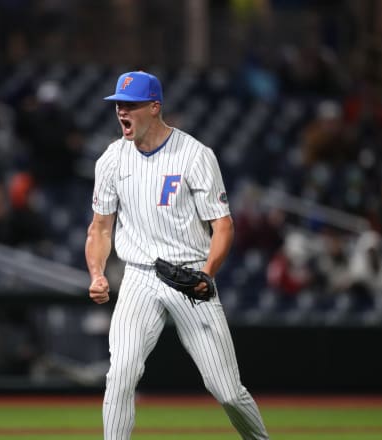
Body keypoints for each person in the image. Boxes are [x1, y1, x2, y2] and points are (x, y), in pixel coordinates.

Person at [85, 71, 269, 439]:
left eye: (131, 105)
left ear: (154, 107)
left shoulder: (195, 155)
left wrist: (208, 272)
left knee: (227, 391)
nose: (122, 111)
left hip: (189, 278)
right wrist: (97, 273)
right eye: (118, 105)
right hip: (138, 275)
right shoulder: (111, 159)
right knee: (120, 374)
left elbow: (223, 226)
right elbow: (100, 228)